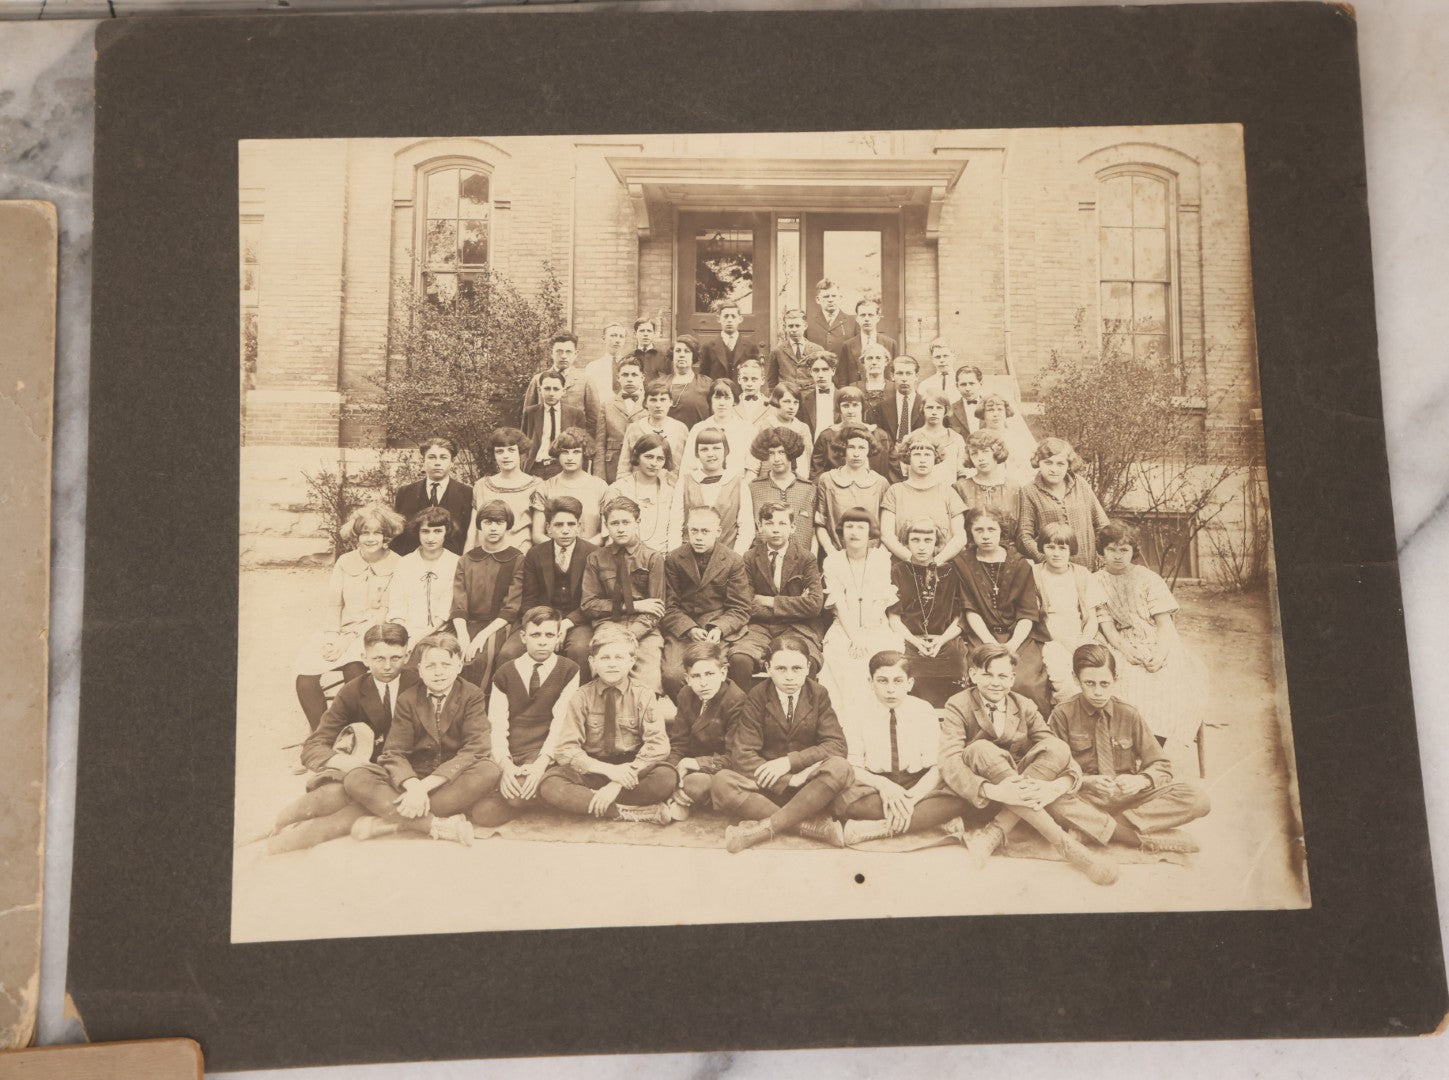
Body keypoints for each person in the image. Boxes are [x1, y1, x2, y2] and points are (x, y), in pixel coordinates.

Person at [938, 643, 1117, 884]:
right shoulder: (957, 705)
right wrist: (994, 790)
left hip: (1023, 788)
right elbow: (949, 760)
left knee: (1058, 746)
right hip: (987, 794)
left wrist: (1056, 786)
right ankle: (1067, 846)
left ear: (1012, 679)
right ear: (973, 674)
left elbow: (1060, 753)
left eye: (1002, 676)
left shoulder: (1024, 705)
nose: (995, 682)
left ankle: (995, 831)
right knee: (980, 748)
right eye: (987, 674)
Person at [1045, 643, 1210, 853]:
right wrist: (1086, 782)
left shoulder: (1129, 714)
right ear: (1076, 679)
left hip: (1128, 800)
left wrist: (1141, 780)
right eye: (1089, 683)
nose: (1098, 692)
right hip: (1085, 797)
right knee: (1053, 802)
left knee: (1198, 799)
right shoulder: (1062, 715)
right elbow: (1051, 770)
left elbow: (1160, 764)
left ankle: (1099, 828)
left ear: (1116, 679)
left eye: (1105, 683)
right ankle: (1131, 837)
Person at [267, 623, 418, 853]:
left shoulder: (421, 684)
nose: (388, 666)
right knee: (324, 798)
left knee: (328, 824)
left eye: (395, 658)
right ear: (364, 658)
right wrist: (352, 763)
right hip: (365, 773)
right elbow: (314, 746)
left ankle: (290, 838)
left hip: (410, 774)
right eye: (378, 659)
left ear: (407, 655)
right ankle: (277, 828)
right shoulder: (352, 691)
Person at [344, 632, 501, 847]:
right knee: (357, 777)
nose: (438, 673)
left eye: (446, 664)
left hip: (450, 780)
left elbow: (476, 748)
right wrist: (414, 786)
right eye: (430, 666)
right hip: (414, 777)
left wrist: (423, 789)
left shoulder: (471, 695)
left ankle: (390, 822)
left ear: (459, 666)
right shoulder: (408, 699)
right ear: (419, 670)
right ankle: (438, 826)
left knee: (488, 770)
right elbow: (394, 752)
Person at [711, 635, 854, 852]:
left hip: (809, 785)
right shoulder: (757, 696)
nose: (789, 677)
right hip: (769, 784)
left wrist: (791, 763)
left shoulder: (818, 694)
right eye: (781, 669)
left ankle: (764, 828)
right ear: (768, 668)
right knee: (722, 781)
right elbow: (743, 754)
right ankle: (808, 826)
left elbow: (836, 745)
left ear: (808, 668)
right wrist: (788, 780)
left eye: (796, 669)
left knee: (840, 767)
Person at [832, 651, 984, 844]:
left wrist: (911, 800)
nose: (890, 690)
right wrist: (884, 786)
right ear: (870, 682)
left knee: (961, 797)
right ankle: (932, 822)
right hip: (874, 787)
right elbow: (853, 766)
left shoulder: (923, 710)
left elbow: (938, 766)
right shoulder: (857, 711)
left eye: (898, 681)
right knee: (842, 802)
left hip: (917, 784)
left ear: (910, 683)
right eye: (882, 681)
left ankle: (877, 829)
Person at [537, 623, 677, 825]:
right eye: (605, 658)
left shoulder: (644, 695)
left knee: (666, 776)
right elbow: (566, 749)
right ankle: (625, 812)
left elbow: (658, 746)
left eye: (619, 657)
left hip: (632, 768)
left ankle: (595, 801)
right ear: (592, 662)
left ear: (632, 661)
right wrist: (607, 771)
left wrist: (618, 781)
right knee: (550, 784)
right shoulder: (581, 697)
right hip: (594, 768)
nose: (612, 664)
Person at [1092, 519, 1208, 748]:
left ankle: (1154, 749)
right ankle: (1127, 746)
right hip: (1119, 642)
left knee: (1168, 678)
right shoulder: (1095, 581)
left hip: (1157, 640)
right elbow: (1106, 625)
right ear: (1102, 551)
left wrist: (1161, 653)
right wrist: (1126, 649)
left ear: (1133, 551)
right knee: (1126, 679)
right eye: (1111, 550)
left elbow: (1165, 624)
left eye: (1124, 550)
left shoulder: (1147, 578)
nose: (1117, 556)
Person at [294, 504, 405, 730]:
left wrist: (347, 640)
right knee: (305, 678)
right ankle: (322, 734)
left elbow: (385, 611)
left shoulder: (399, 564)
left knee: (354, 668)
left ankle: (356, 734)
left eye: (377, 533)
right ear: (357, 535)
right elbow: (335, 604)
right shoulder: (345, 561)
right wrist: (332, 636)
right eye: (365, 532)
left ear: (386, 536)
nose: (370, 538)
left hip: (375, 633)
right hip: (341, 632)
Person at [470, 607, 583, 829]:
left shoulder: (569, 670)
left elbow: (561, 722)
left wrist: (541, 763)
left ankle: (534, 791)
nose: (542, 641)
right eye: (535, 635)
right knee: (483, 814)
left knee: (517, 796)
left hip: (546, 753)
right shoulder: (505, 672)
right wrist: (506, 765)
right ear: (523, 637)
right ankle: (538, 797)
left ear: (559, 637)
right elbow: (497, 724)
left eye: (550, 635)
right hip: (513, 752)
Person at [955, 506, 1051, 715]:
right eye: (979, 530)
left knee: (1025, 682)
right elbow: (969, 608)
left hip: (1018, 634)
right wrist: (990, 641)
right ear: (970, 532)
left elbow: (1027, 612)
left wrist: (1011, 645)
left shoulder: (1020, 564)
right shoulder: (962, 563)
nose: (986, 536)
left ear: (1002, 531)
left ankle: (1029, 732)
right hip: (981, 633)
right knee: (982, 675)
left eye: (992, 529)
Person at [496, 496, 596, 676]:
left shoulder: (593, 554)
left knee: (580, 650)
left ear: (579, 527)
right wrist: (545, 627)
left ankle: (577, 702)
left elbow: (592, 601)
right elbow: (528, 599)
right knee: (509, 653)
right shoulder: (535, 554)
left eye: (571, 524)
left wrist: (565, 624)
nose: (565, 530)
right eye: (558, 525)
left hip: (577, 620)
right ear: (548, 528)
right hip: (539, 619)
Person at [660, 505, 754, 698]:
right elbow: (669, 605)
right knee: (672, 675)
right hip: (684, 629)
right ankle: (692, 716)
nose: (699, 537)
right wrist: (689, 629)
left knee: (717, 673)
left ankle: (718, 716)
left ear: (718, 532)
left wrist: (719, 628)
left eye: (705, 531)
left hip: (717, 629)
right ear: (687, 529)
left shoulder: (733, 561)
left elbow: (740, 607)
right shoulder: (674, 559)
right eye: (694, 530)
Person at [730, 499, 825, 688]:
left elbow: (814, 605)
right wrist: (796, 604)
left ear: (793, 528)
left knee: (808, 661)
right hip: (758, 628)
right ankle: (746, 713)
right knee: (740, 659)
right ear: (760, 526)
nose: (775, 529)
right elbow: (746, 603)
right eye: (769, 523)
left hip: (797, 627)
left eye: (782, 523)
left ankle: (798, 714)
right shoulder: (749, 558)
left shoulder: (806, 559)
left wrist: (769, 601)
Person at [818, 507, 904, 715]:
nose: (854, 532)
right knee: (842, 662)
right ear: (841, 531)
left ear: (870, 532)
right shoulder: (833, 561)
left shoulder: (881, 559)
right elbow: (838, 603)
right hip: (844, 628)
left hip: (875, 625)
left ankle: (877, 719)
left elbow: (881, 600)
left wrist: (864, 634)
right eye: (849, 527)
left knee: (878, 660)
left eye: (860, 527)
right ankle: (846, 726)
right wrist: (854, 637)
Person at [581, 496, 668, 696]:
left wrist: (631, 635)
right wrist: (633, 606)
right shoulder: (596, 558)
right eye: (614, 523)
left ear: (637, 523)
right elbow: (588, 605)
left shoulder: (653, 558)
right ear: (606, 526)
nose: (620, 528)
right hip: (609, 624)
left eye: (626, 522)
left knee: (648, 677)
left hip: (644, 629)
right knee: (607, 669)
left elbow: (655, 610)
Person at [887, 519, 967, 707]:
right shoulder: (898, 571)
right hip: (908, 639)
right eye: (915, 540)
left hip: (944, 639)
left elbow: (960, 617)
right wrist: (916, 642)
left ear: (937, 544)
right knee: (905, 670)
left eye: (928, 540)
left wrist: (941, 640)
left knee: (956, 663)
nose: (921, 547)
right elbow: (894, 618)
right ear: (906, 543)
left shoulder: (950, 572)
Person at [664, 641, 748, 820]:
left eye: (710, 674)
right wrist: (673, 775)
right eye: (696, 676)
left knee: (696, 784)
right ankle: (674, 796)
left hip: (720, 769)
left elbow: (735, 757)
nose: (703, 683)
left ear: (723, 672)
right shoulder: (686, 694)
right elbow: (678, 743)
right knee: (661, 775)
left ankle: (679, 801)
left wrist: (694, 764)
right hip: (690, 767)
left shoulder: (736, 700)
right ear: (687, 678)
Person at [451, 499, 525, 691]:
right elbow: (459, 603)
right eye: (487, 522)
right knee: (446, 654)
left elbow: (511, 608)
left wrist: (481, 637)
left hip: (499, 625)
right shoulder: (467, 559)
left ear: (508, 525)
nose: (493, 528)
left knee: (478, 659)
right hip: (467, 625)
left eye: (499, 523)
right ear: (479, 525)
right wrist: (463, 636)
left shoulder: (516, 559)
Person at [1032, 522, 1108, 702]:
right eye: (1050, 547)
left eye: (1062, 548)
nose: (1056, 553)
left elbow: (1091, 616)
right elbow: (1037, 618)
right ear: (1042, 547)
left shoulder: (1082, 574)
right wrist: (1064, 641)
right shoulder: (1035, 574)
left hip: (1082, 635)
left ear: (1071, 549)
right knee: (1063, 678)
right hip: (1049, 638)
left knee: (1099, 671)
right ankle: (1068, 717)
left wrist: (1085, 639)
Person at [1017, 437, 1110, 568]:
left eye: (1060, 464)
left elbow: (1102, 524)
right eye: (1048, 463)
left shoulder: (1080, 484)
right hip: (1052, 572)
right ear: (1038, 462)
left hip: (1088, 569)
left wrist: (1103, 558)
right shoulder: (1029, 491)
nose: (1054, 469)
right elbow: (1024, 537)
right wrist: (1047, 560)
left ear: (1068, 465)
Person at [879, 430, 969, 565]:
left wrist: (937, 561)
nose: (922, 460)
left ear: (935, 458)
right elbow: (887, 535)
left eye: (927, 455)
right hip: (904, 567)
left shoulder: (948, 492)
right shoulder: (895, 492)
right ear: (908, 458)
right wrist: (911, 558)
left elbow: (960, 536)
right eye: (917, 455)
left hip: (942, 565)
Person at [386, 506, 461, 655]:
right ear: (418, 532)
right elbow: (397, 603)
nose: (430, 538)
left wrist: (415, 640)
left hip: (440, 632)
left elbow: (444, 612)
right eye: (425, 531)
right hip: (405, 631)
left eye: (437, 531)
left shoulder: (455, 563)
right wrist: (402, 635)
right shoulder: (405, 563)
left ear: (447, 532)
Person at [670, 427, 755, 554]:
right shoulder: (685, 481)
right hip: (689, 559)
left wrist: (734, 560)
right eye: (704, 449)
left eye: (716, 448)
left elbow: (746, 529)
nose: (710, 454)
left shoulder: (738, 483)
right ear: (697, 454)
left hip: (726, 558)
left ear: (726, 451)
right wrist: (675, 558)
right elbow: (675, 525)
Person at [813, 423, 891, 557]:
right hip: (836, 555)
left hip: (872, 556)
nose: (856, 453)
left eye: (861, 448)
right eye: (851, 447)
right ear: (843, 449)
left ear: (869, 450)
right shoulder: (827, 480)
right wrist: (831, 551)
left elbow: (887, 528)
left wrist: (878, 555)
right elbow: (820, 522)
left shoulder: (880, 483)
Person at [467, 427, 544, 552]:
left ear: (521, 453)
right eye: (500, 451)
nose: (505, 456)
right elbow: (473, 530)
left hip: (520, 557)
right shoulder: (481, 486)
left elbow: (537, 533)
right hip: (484, 558)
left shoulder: (536, 485)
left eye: (511, 450)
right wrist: (465, 563)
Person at [391, 436, 472, 556]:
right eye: (431, 457)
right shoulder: (405, 492)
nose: (437, 463)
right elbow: (398, 534)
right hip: (414, 563)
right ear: (423, 461)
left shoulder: (467, 493)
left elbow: (469, 534)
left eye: (443, 457)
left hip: (452, 564)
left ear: (452, 463)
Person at [529, 427, 608, 543]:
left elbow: (605, 532)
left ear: (584, 454)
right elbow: (537, 534)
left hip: (591, 553)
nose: (570, 458)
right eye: (565, 452)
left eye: (576, 452)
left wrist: (582, 551)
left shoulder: (600, 486)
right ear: (558, 454)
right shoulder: (545, 487)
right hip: (554, 554)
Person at [604, 434, 677, 554]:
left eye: (660, 459)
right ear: (637, 456)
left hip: (660, 559)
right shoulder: (618, 489)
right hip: (625, 558)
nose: (654, 463)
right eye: (649, 457)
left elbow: (674, 531)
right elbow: (609, 535)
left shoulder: (670, 492)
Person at [953, 429, 1022, 549]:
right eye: (974, 453)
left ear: (996, 452)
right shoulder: (960, 488)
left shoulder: (1014, 487)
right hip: (971, 554)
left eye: (985, 452)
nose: (980, 458)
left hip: (1010, 553)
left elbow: (1021, 530)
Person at [749, 426, 815, 552]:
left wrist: (812, 558)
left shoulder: (809, 489)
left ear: (791, 452)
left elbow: (815, 530)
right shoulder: (754, 488)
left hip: (801, 562)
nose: (776, 459)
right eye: (771, 453)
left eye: (781, 452)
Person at [679, 378, 759, 480]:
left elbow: (752, 468)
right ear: (710, 400)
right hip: (704, 487)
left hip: (738, 488)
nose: (722, 403)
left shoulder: (748, 429)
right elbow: (687, 466)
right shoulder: (699, 428)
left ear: (734, 400)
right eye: (717, 398)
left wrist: (742, 489)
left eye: (727, 398)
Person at [809, 385, 893, 480]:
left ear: (862, 407)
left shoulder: (880, 435)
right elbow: (816, 473)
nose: (850, 411)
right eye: (845, 406)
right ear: (838, 408)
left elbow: (893, 473)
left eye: (855, 405)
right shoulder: (827, 436)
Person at [589, 355, 646, 484]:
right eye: (625, 375)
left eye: (634, 375)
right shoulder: (607, 405)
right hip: (612, 466)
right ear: (618, 378)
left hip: (642, 465)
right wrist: (599, 476)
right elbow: (600, 443)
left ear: (642, 377)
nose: (630, 379)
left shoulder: (651, 403)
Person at [620, 379, 689, 484]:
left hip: (672, 489)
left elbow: (687, 466)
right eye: (653, 400)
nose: (658, 405)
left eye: (663, 399)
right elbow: (624, 467)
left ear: (670, 402)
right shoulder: (634, 428)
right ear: (645, 403)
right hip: (638, 488)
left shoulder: (680, 429)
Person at [522, 371, 588, 479]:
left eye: (556, 389)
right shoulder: (530, 413)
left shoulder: (575, 414)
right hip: (535, 467)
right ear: (539, 390)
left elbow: (582, 447)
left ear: (563, 391)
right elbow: (523, 444)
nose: (551, 393)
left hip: (562, 468)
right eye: (547, 388)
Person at [869, 355, 927, 471]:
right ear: (892, 376)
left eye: (909, 373)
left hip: (920, 460)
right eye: (900, 373)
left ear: (916, 376)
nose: (904, 378)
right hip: (889, 463)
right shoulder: (881, 407)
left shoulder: (926, 405)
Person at [523, 331, 591, 417]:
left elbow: (593, 417)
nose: (563, 356)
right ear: (551, 353)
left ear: (576, 354)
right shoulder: (538, 379)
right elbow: (528, 414)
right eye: (559, 351)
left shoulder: (585, 380)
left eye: (568, 352)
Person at [974, 392, 1037, 486]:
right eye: (990, 410)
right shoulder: (977, 438)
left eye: (1000, 409)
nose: (996, 414)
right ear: (983, 413)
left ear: (1006, 412)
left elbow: (1028, 467)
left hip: (1018, 484)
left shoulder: (1018, 437)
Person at [835, 298, 897, 390]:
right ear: (857, 319)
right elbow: (842, 379)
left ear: (878, 318)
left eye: (870, 315)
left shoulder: (890, 343)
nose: (867, 319)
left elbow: (895, 374)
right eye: (863, 315)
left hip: (884, 395)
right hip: (856, 396)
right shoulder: (848, 345)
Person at [914, 385, 968, 485]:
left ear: (946, 410)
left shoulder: (957, 439)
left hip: (949, 494)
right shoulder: (912, 438)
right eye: (930, 407)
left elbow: (962, 473)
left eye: (939, 408)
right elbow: (906, 474)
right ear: (922, 409)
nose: (934, 412)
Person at [761, 381, 813, 480]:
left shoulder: (803, 428)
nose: (791, 407)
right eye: (786, 401)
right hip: (770, 481)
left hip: (800, 480)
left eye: (795, 402)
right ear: (776, 401)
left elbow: (809, 458)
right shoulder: (765, 426)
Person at [699, 302, 760, 381]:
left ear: (740, 319)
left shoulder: (751, 347)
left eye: (733, 316)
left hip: (742, 392)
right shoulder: (708, 347)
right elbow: (703, 377)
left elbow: (756, 375)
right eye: (726, 316)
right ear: (719, 319)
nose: (729, 320)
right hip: (718, 392)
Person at [664, 335, 714, 428]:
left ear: (693, 356)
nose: (682, 355)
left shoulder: (706, 384)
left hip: (698, 438)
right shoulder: (662, 383)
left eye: (687, 351)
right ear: (673, 355)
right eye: (678, 351)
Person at [805, 278, 858, 357]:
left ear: (840, 298)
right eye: (826, 296)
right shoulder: (808, 322)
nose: (831, 300)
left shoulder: (853, 322)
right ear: (818, 299)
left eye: (834, 296)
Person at [582, 320, 631, 402]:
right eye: (613, 335)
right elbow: (588, 398)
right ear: (604, 338)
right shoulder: (592, 367)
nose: (617, 340)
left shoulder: (632, 367)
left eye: (621, 336)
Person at [797, 350, 840, 444]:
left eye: (825, 369)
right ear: (810, 372)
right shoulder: (804, 401)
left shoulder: (843, 398)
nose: (820, 375)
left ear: (833, 371)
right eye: (816, 370)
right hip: (813, 452)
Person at [766, 308, 813, 390]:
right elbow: (771, 382)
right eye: (790, 326)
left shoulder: (817, 350)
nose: (794, 330)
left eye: (797, 326)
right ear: (785, 327)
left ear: (805, 326)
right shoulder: (777, 351)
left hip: (809, 396)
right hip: (787, 396)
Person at [853, 343, 892, 416]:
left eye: (878, 358)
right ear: (863, 363)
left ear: (886, 362)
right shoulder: (855, 388)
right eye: (870, 358)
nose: (874, 362)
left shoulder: (894, 388)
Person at [945, 364, 985, 435]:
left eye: (972, 383)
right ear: (957, 386)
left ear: (980, 384)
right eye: (963, 384)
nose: (968, 389)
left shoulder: (991, 408)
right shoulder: (950, 411)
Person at [732, 357, 771, 426]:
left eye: (754, 379)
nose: (749, 384)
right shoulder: (732, 405)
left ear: (762, 380)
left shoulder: (770, 406)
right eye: (745, 379)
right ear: (739, 379)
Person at [629, 316, 669, 382]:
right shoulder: (629, 357)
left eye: (649, 331)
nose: (645, 334)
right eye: (642, 331)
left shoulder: (664, 357)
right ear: (635, 334)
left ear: (654, 334)